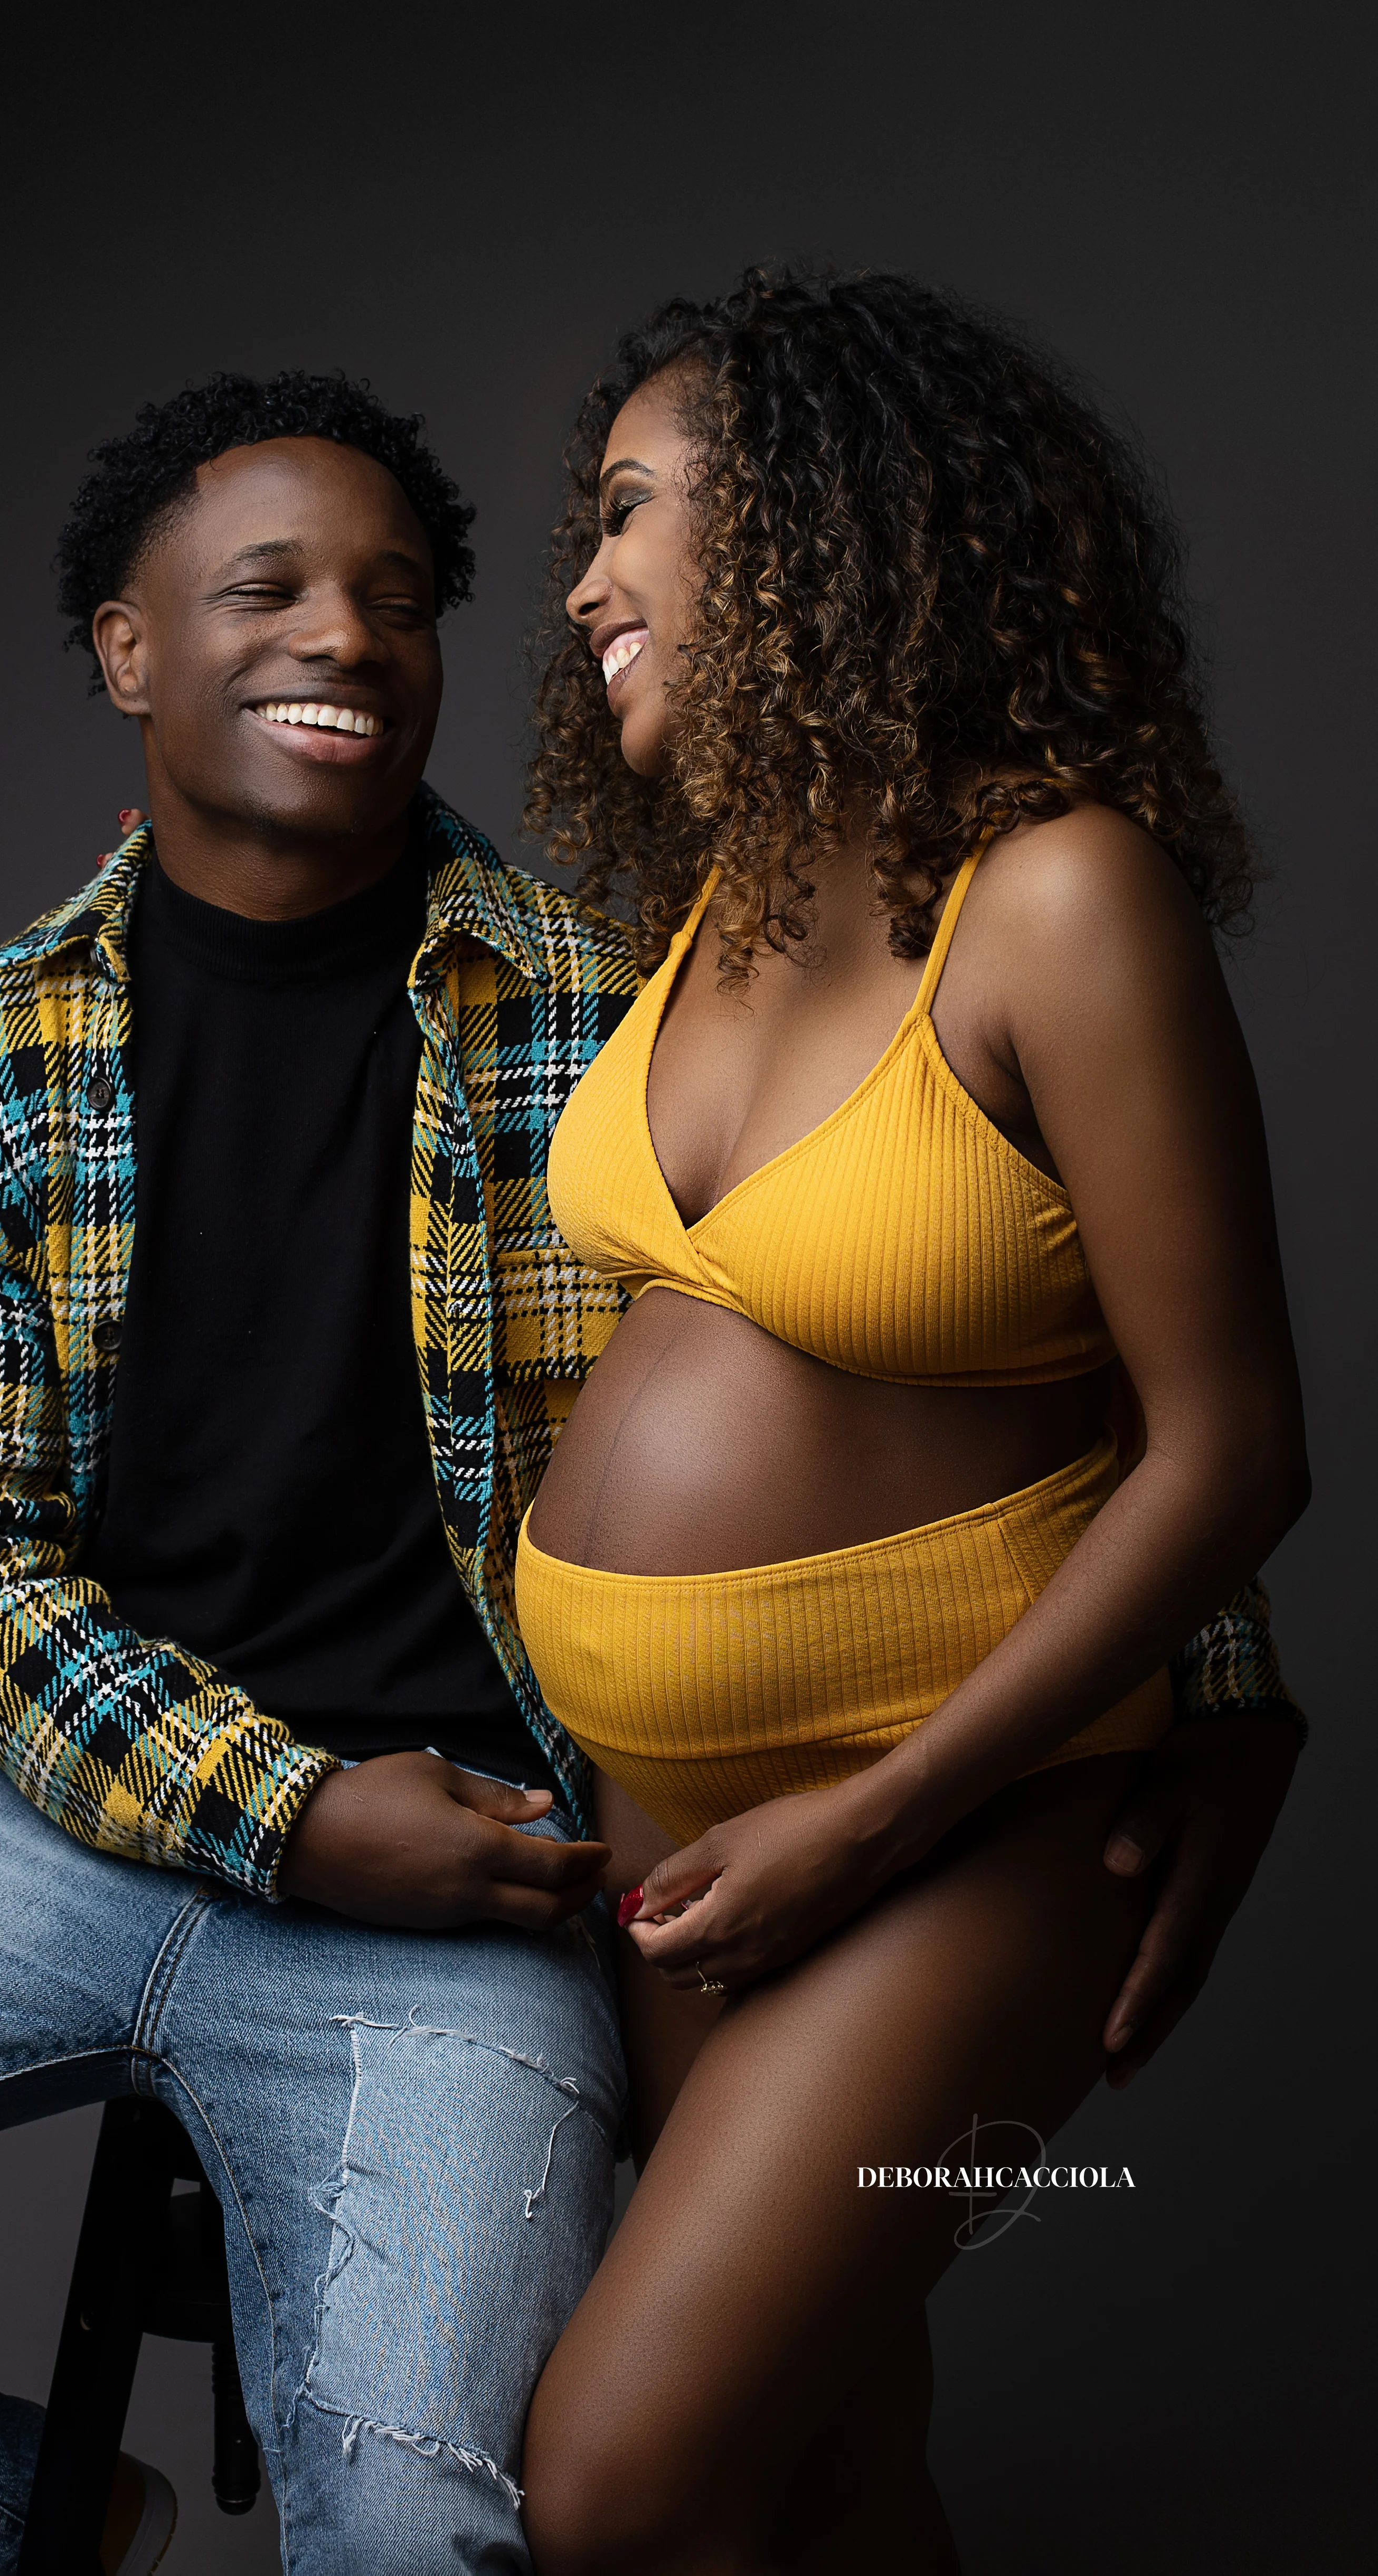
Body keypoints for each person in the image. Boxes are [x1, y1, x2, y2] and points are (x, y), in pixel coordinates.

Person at [0, 343, 1298, 2576]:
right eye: (266, 589)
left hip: (496, 1854)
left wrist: (1210, 1690)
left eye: (401, 590)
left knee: (499, 2517)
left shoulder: (608, 985)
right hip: (74, 1818)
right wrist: (284, 1809)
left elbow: (1022, 1326)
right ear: (127, 652)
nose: (345, 634)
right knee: (801, 2456)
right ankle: (38, 2526)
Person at [512, 268, 1310, 2574]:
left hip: (964, 1837)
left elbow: (1231, 1452)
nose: (582, 578)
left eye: (635, 508)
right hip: (680, 1819)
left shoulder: (1056, 902)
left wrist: (870, 1822)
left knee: (622, 2487)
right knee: (819, 2475)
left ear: (815, 529)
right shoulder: (706, 919)